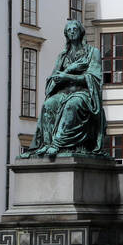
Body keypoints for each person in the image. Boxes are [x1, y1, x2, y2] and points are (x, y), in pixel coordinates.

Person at [21, 19, 106, 158]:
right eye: (69, 30)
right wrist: (67, 71)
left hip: (84, 93)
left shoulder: (92, 53)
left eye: (75, 29)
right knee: (48, 105)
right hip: (64, 92)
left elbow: (94, 78)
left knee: (72, 105)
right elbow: (52, 81)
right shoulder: (62, 56)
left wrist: (68, 77)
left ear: (81, 32)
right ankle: (47, 144)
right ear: (66, 34)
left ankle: (57, 144)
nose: (72, 31)